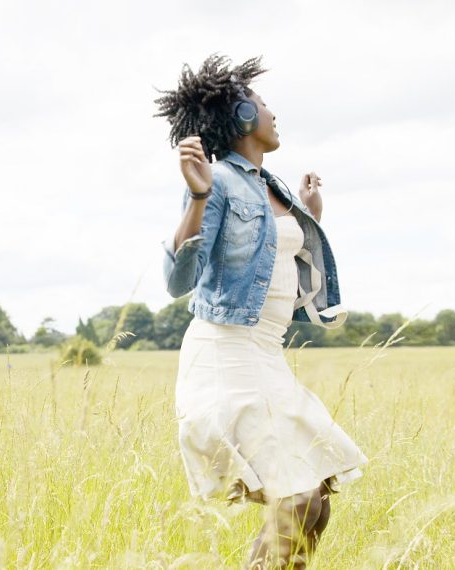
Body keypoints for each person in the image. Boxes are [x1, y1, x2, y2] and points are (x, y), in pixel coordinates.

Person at [154, 54, 369, 569]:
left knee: (314, 501)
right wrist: (197, 197)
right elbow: (176, 281)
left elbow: (274, 260)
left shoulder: (274, 188)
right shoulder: (220, 182)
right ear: (243, 118)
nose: (273, 113)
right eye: (263, 104)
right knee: (294, 497)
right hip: (226, 354)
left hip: (265, 356)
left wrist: (308, 218)